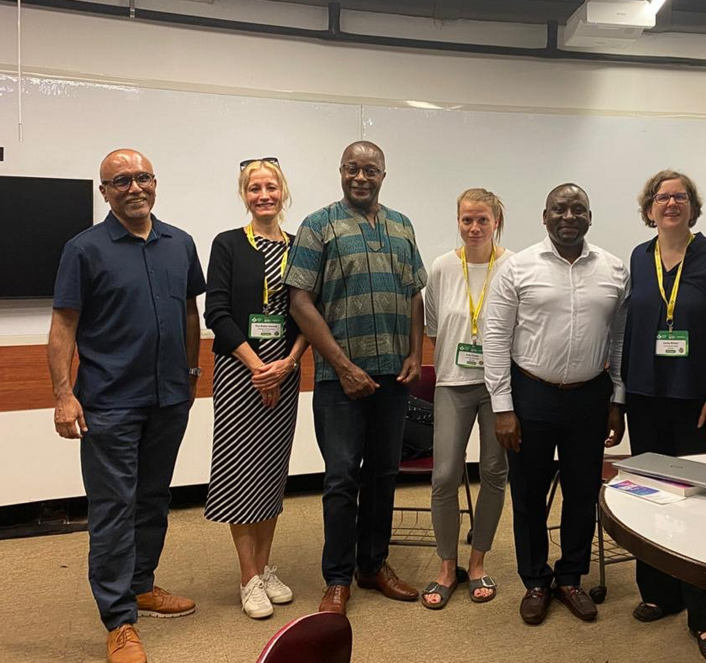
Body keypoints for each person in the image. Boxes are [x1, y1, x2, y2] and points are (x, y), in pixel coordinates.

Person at [48, 149, 204, 663]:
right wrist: (63, 395)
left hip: (169, 398)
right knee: (114, 509)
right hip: (109, 403)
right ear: (105, 192)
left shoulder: (179, 243)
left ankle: (141, 584)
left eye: (142, 178)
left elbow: (189, 310)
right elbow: (64, 325)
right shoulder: (83, 249)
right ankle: (119, 620)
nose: (134, 187)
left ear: (155, 183)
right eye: (121, 181)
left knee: (154, 497)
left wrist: (191, 371)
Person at [285, 141, 427, 616]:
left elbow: (413, 294)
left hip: (392, 377)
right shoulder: (317, 225)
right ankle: (337, 578)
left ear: (383, 174)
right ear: (340, 171)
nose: (360, 177)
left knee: (384, 474)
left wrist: (415, 352)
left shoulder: (402, 225)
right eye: (352, 169)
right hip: (337, 380)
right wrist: (344, 367)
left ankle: (374, 565)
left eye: (370, 170)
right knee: (342, 479)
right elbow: (300, 302)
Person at [484, 183, 629, 626]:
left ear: (590, 216)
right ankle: (535, 580)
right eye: (560, 209)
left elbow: (620, 339)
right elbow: (494, 337)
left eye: (578, 209)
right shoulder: (518, 267)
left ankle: (571, 578)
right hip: (531, 394)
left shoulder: (614, 269)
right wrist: (503, 407)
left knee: (583, 491)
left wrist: (618, 398)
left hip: (590, 394)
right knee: (527, 492)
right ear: (545, 217)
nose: (569, 216)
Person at [621, 170, 706, 663]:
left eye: (680, 197)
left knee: (703, 504)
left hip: (699, 402)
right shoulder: (638, 256)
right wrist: (622, 396)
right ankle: (660, 593)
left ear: (694, 207)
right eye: (662, 197)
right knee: (651, 497)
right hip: (647, 396)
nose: (670, 203)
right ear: (648, 207)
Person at [203, 158, 310, 619]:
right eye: (253, 188)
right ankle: (248, 577)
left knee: (269, 472)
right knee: (239, 472)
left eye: (270, 187)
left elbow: (310, 312)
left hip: (285, 373)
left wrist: (286, 364)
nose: (262, 195)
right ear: (243, 194)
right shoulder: (227, 244)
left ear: (283, 193)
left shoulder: (301, 246)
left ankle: (264, 568)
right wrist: (257, 366)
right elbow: (218, 314)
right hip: (238, 373)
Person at [421, 188, 513, 609]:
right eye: (466, 220)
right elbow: (436, 328)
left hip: (499, 386)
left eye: (483, 220)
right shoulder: (441, 268)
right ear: (457, 222)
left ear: (497, 222)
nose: (474, 228)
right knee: (444, 476)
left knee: (494, 471)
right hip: (453, 383)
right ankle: (446, 566)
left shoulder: (513, 266)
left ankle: (477, 563)